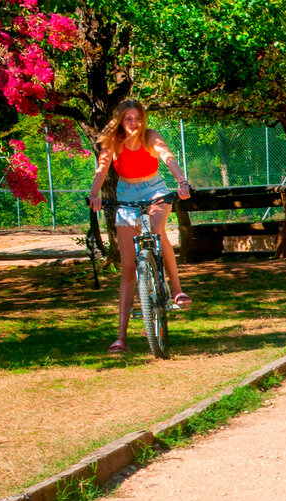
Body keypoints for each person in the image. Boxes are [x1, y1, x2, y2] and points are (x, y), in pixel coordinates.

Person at [88, 99, 192, 355]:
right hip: (125, 190)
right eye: (128, 119)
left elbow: (167, 156)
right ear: (120, 120)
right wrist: (94, 194)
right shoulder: (113, 142)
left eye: (137, 118)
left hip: (153, 188)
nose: (134, 124)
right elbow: (101, 169)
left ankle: (176, 290)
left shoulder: (151, 136)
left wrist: (182, 181)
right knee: (127, 268)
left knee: (156, 230)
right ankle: (121, 336)